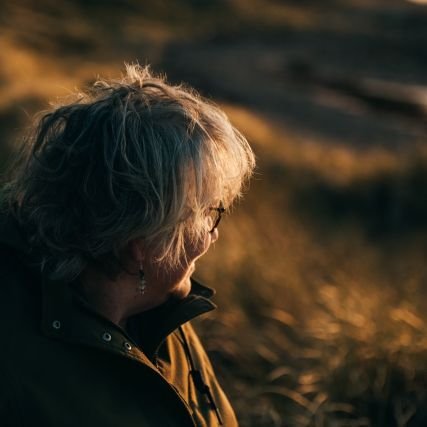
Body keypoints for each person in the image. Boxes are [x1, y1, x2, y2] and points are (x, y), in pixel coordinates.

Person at [0, 65, 255, 427]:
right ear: (142, 243)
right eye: (208, 213)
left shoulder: (161, 304)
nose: (213, 234)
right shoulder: (14, 367)